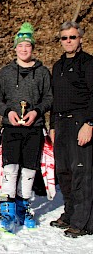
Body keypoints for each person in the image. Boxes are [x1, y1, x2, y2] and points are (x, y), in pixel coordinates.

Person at [0, 22, 52, 233]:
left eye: (27, 45)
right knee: (10, 169)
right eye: (20, 46)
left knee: (29, 170)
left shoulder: (43, 72)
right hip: (11, 128)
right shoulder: (6, 72)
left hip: (34, 127)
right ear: (15, 48)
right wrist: (6, 112)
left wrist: (36, 111)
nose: (24, 49)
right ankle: (7, 209)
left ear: (33, 47)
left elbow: (49, 97)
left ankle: (24, 205)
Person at [49, 21, 93, 238]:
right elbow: (53, 98)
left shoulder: (88, 63)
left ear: (80, 39)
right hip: (61, 123)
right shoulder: (57, 66)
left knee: (81, 172)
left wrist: (90, 123)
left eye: (72, 37)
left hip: (80, 122)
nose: (68, 41)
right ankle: (69, 213)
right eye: (64, 38)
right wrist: (51, 125)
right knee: (64, 171)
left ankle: (82, 222)